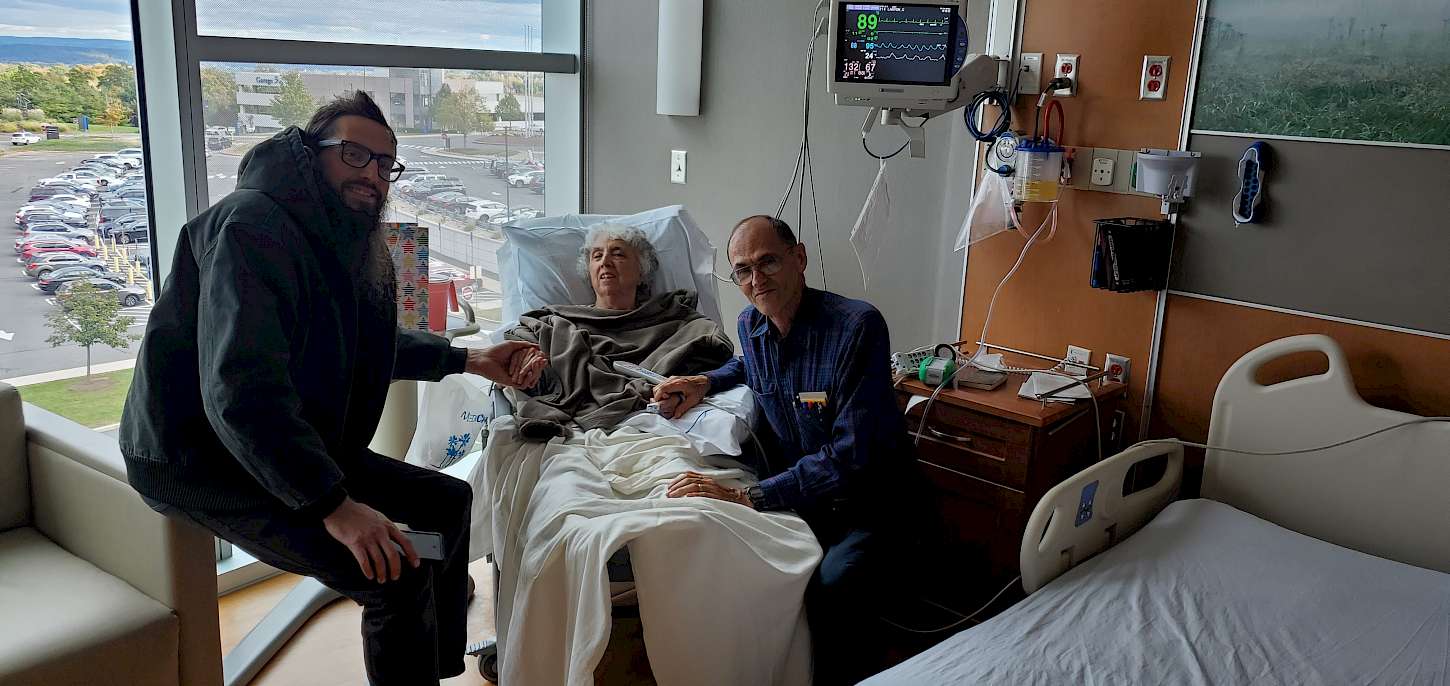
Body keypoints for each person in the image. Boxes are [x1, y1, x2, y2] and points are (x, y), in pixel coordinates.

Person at [118, 91, 547, 686]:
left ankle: (436, 663)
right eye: (354, 154)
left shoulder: (344, 235)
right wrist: (336, 510)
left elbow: (365, 343)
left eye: (385, 163)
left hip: (296, 445)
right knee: (396, 574)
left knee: (446, 504)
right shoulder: (253, 228)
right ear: (310, 152)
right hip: (204, 460)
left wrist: (470, 358)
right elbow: (242, 393)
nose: (372, 173)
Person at [652, 214, 919, 685]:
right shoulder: (751, 324)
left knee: (830, 586)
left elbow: (850, 455)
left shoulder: (856, 327)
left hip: (868, 502)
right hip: (804, 495)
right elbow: (748, 365)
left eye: (768, 262)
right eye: (743, 270)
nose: (756, 279)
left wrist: (748, 496)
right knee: (734, 565)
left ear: (799, 259)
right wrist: (703, 381)